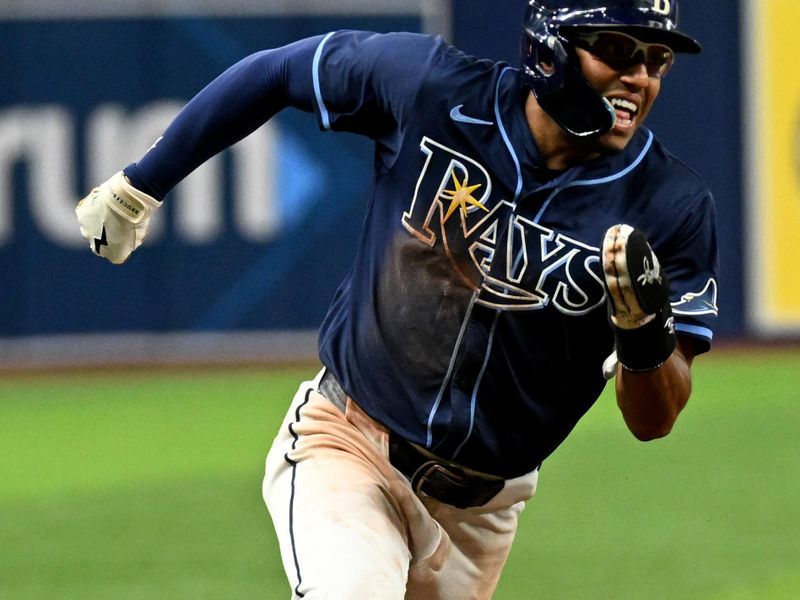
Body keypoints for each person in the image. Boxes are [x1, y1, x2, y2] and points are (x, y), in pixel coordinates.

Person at [75, 0, 720, 597]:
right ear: (550, 47)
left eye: (656, 59)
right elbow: (277, 72)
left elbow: (653, 419)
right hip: (349, 443)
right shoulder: (433, 89)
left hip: (483, 513)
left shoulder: (671, 207)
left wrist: (644, 333)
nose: (640, 76)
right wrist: (142, 184)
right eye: (617, 49)